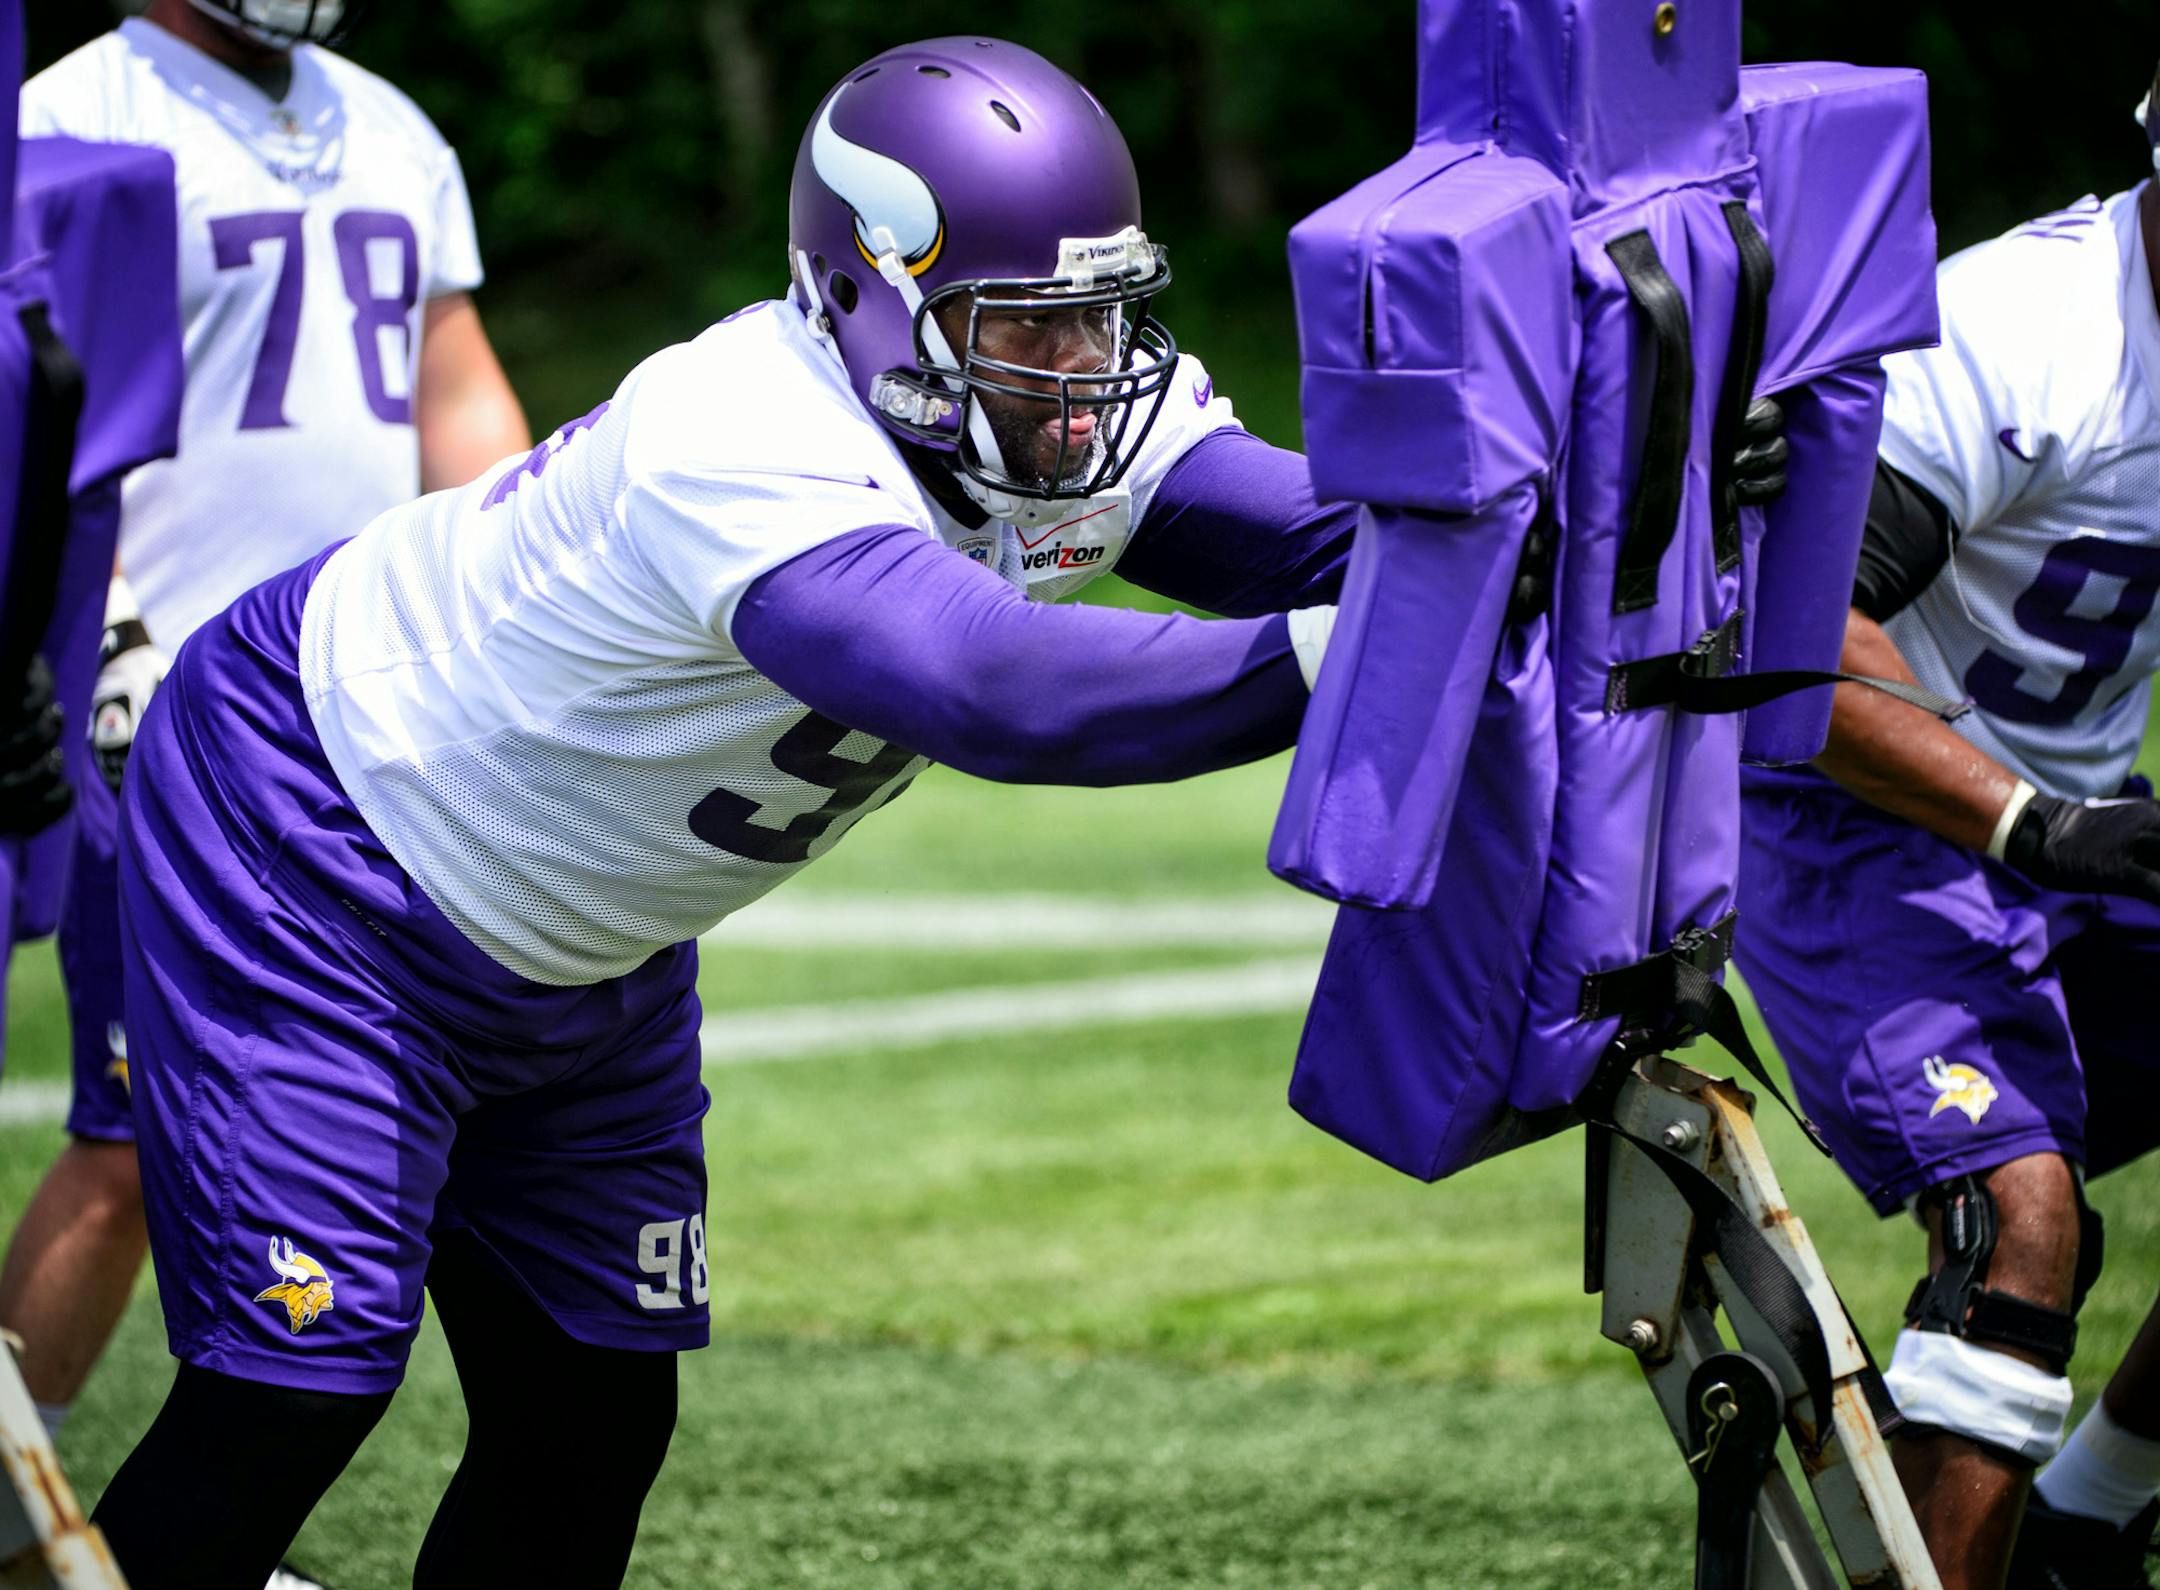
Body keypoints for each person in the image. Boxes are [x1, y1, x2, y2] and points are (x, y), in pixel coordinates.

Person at [77, 37, 1356, 1588]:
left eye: (1102, 314)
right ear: (871, 301)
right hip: (325, 840)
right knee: (292, 1392)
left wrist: (1545, 530)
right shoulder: (744, 423)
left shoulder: (1039, 400)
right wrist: (1370, 648)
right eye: (1029, 323)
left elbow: (1322, 535)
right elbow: (996, 689)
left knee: (590, 1416)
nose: (1085, 366)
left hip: (583, 933)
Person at [1, 0, 527, 1546]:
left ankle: (57, 1523)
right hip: (153, 708)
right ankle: (19, 1515)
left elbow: (455, 386)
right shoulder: (71, 117)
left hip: (363, 717)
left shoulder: (388, 119)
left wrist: (514, 585)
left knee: (306, 1138)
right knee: (124, 1152)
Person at [1736, 66, 2160, 1590]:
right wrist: (2032, 817)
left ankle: (2092, 1520)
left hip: (2067, 816)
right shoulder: (2030, 337)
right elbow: (1792, 656)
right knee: (2020, 1215)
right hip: (1851, 803)